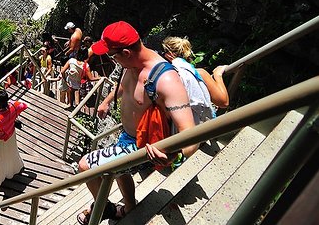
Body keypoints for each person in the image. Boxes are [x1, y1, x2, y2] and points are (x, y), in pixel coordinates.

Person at [76, 21, 197, 224]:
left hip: (143, 145)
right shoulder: (131, 64)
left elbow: (191, 134)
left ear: (126, 52)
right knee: (119, 172)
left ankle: (105, 208)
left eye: (112, 55)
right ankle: (130, 208)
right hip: (127, 136)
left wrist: (172, 155)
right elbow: (124, 86)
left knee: (85, 165)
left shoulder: (165, 80)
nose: (111, 59)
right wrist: (106, 102)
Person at [162, 36, 229, 109]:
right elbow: (223, 102)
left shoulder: (164, 80)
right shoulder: (199, 74)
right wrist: (218, 75)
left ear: (169, 55)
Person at [0, 89, 27, 188]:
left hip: (0, 141)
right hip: (11, 135)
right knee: (11, 153)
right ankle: (12, 169)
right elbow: (24, 105)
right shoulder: (13, 105)